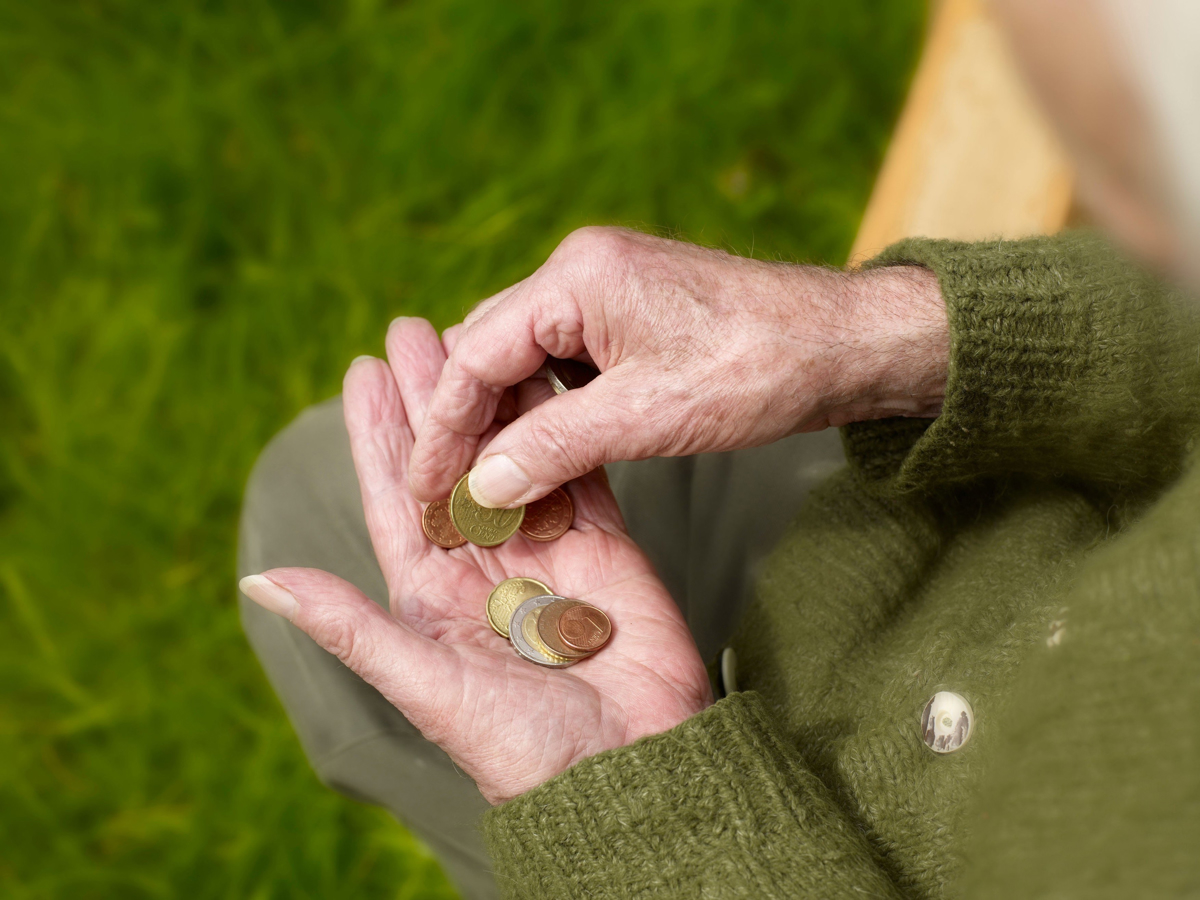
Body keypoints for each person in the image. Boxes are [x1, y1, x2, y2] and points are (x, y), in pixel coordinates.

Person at [238, 1, 1200, 897]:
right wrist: (886, 343)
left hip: (757, 843)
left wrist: (621, 798)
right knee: (318, 501)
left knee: (370, 591)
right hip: (955, 515)